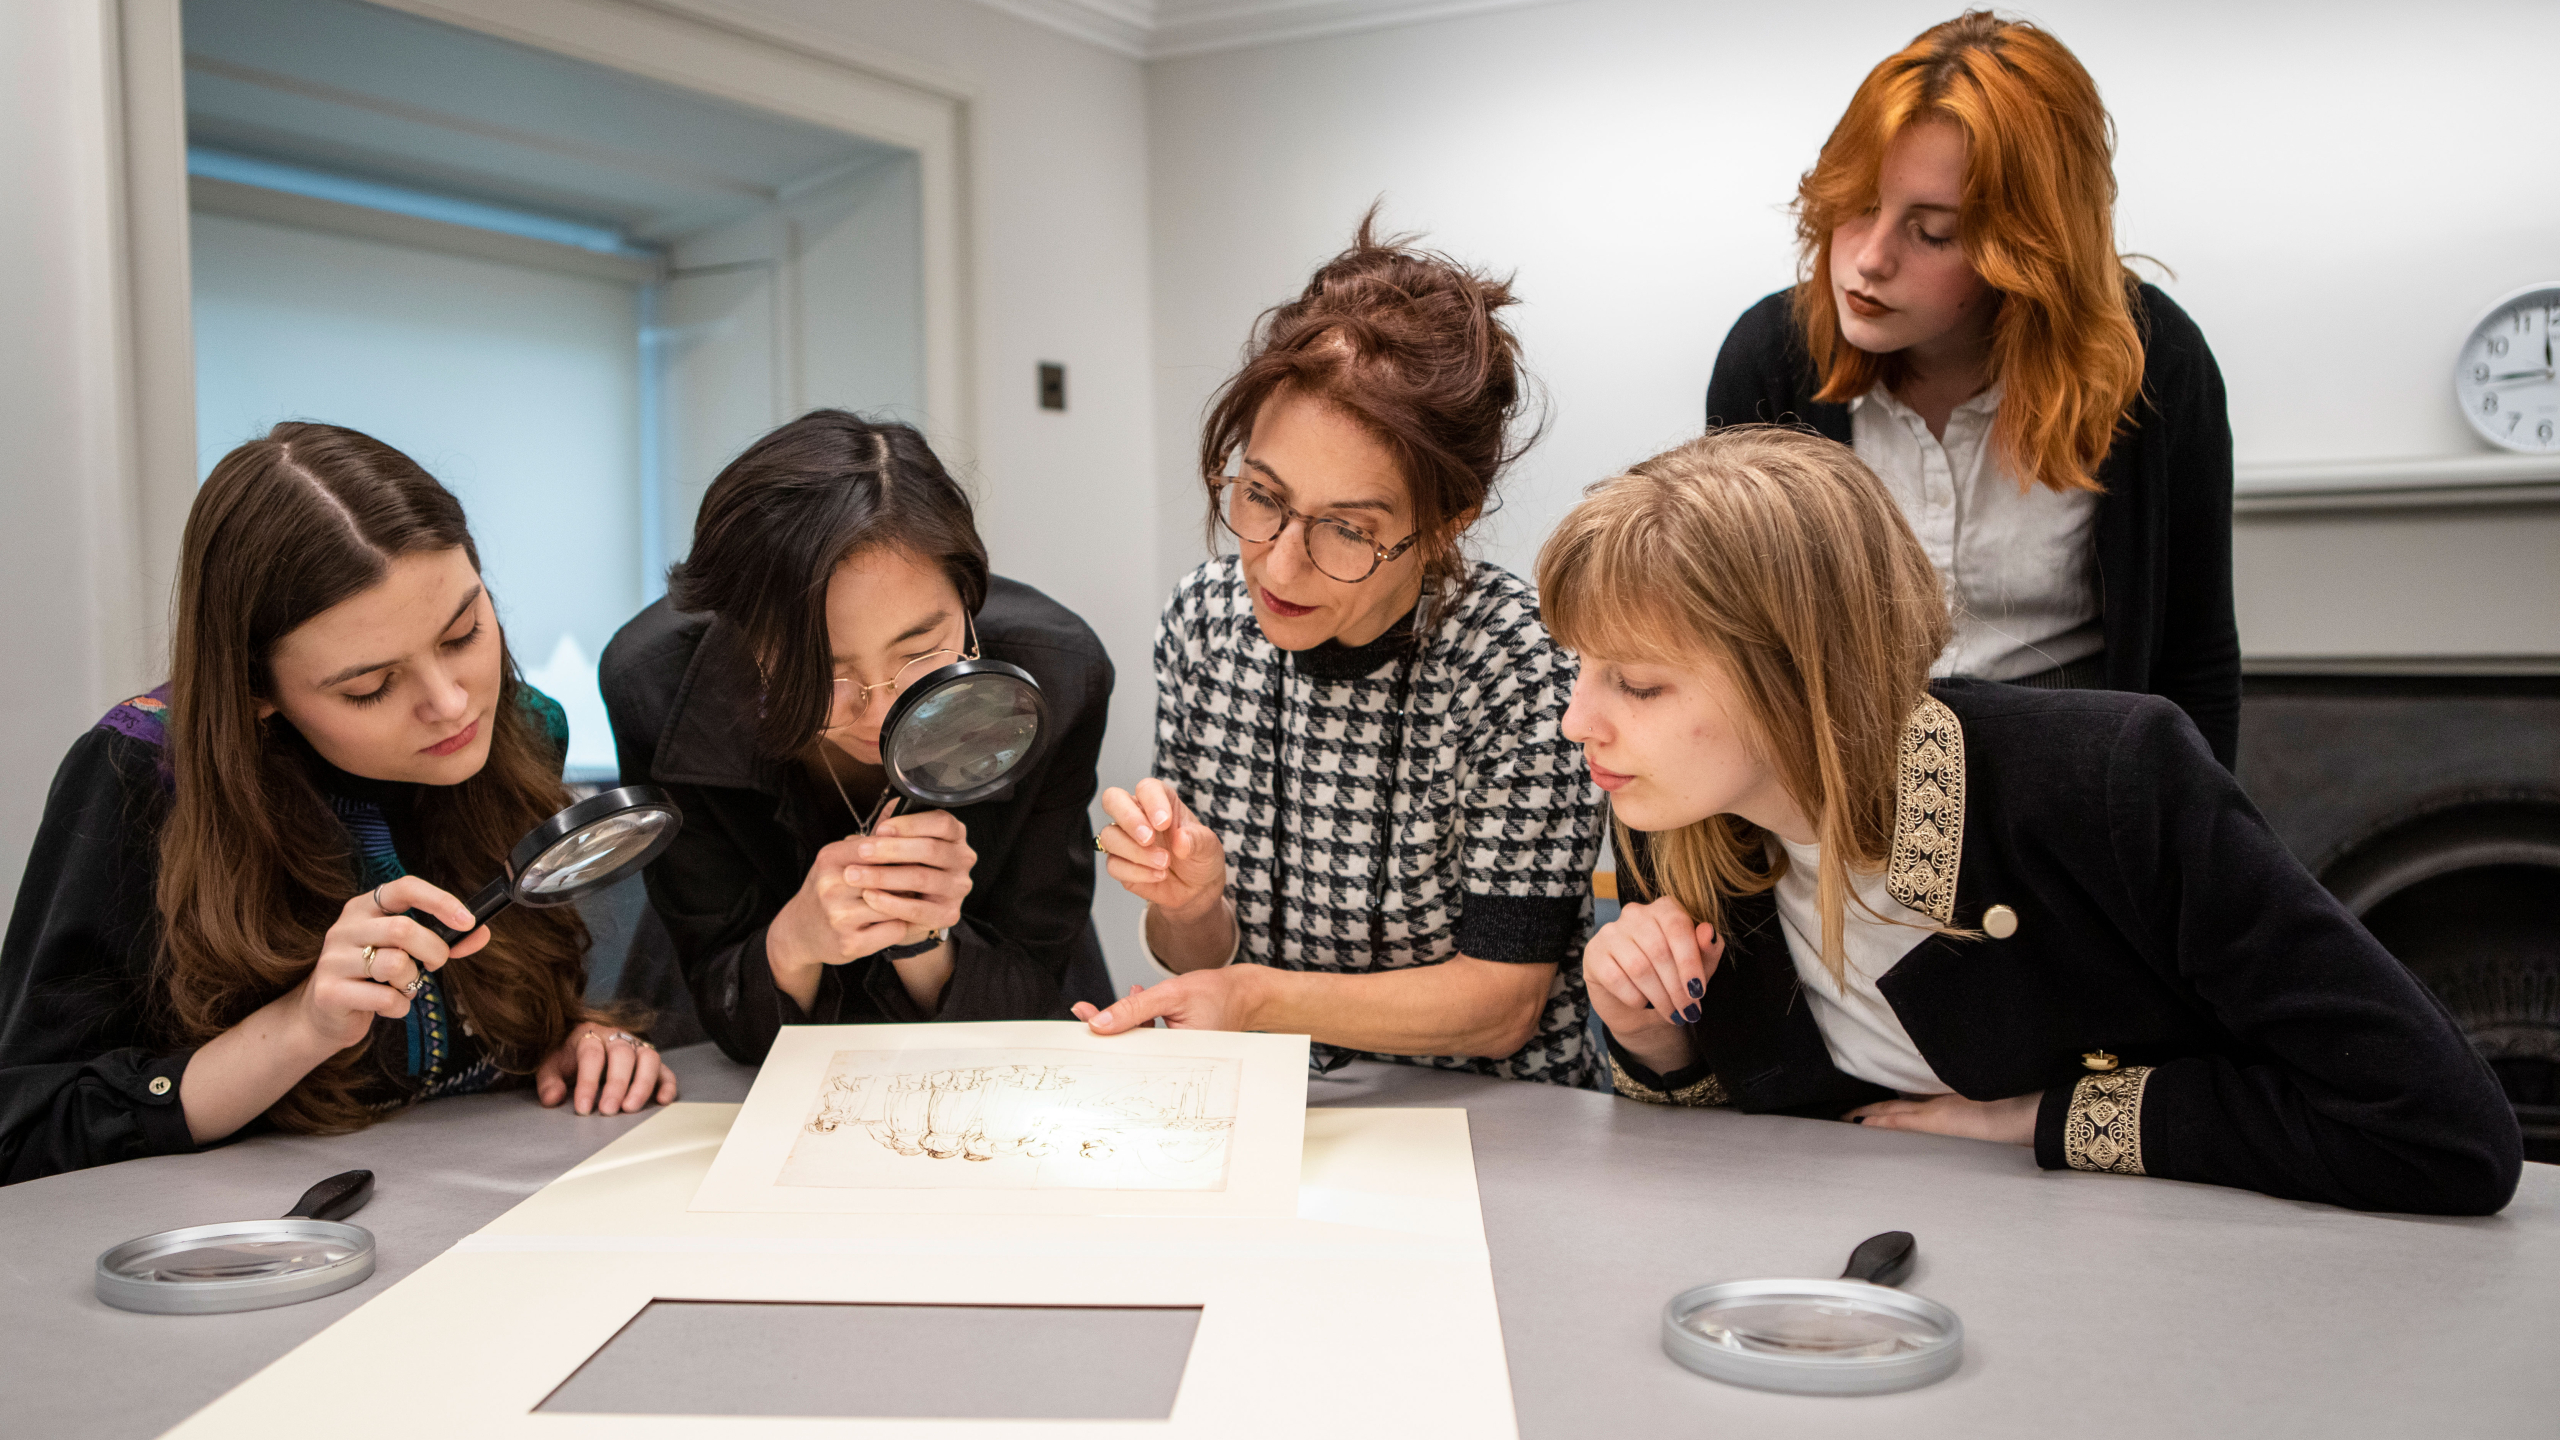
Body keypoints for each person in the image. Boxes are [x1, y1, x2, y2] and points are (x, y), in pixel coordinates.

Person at [1541, 427, 2519, 1214]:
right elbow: (1749, 1129)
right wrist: (1651, 1034)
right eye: (1581, 669)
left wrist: (2042, 1120)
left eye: (1638, 684)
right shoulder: (1673, 812)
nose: (1578, 721)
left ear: (1801, 675)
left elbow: (2443, 1133)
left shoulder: (2104, 779)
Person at [0, 423, 673, 1184]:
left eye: (463, 633)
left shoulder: (523, 730)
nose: (452, 704)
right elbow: (28, 1127)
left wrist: (575, 1041)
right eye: (370, 687)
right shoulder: (140, 777)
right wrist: (300, 1027)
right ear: (256, 691)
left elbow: (498, 1020)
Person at [1081, 218, 1605, 1086]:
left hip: (1488, 1112)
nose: (1280, 566)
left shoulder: (1518, 661)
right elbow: (1200, 958)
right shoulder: (1205, 622)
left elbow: (1502, 1006)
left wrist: (1254, 998)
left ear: (1447, 524)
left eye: (1349, 530)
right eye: (1262, 497)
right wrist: (1193, 904)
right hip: (1269, 1099)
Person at [1705, 11, 2242, 767]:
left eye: (1932, 232)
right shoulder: (1769, 360)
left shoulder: (2155, 361)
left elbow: (2195, 657)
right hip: (1846, 773)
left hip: (2079, 775)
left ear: (2029, 247)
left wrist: (2191, 831)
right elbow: (1731, 652)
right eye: (1860, 205)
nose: (1869, 260)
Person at [600, 411, 1115, 1064]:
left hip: (999, 1020)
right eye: (824, 672)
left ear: (968, 597)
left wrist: (923, 940)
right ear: (742, 643)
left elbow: (1028, 985)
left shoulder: (1057, 674)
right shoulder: (658, 683)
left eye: (920, 651)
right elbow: (721, 979)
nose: (881, 711)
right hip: (745, 1025)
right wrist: (793, 942)